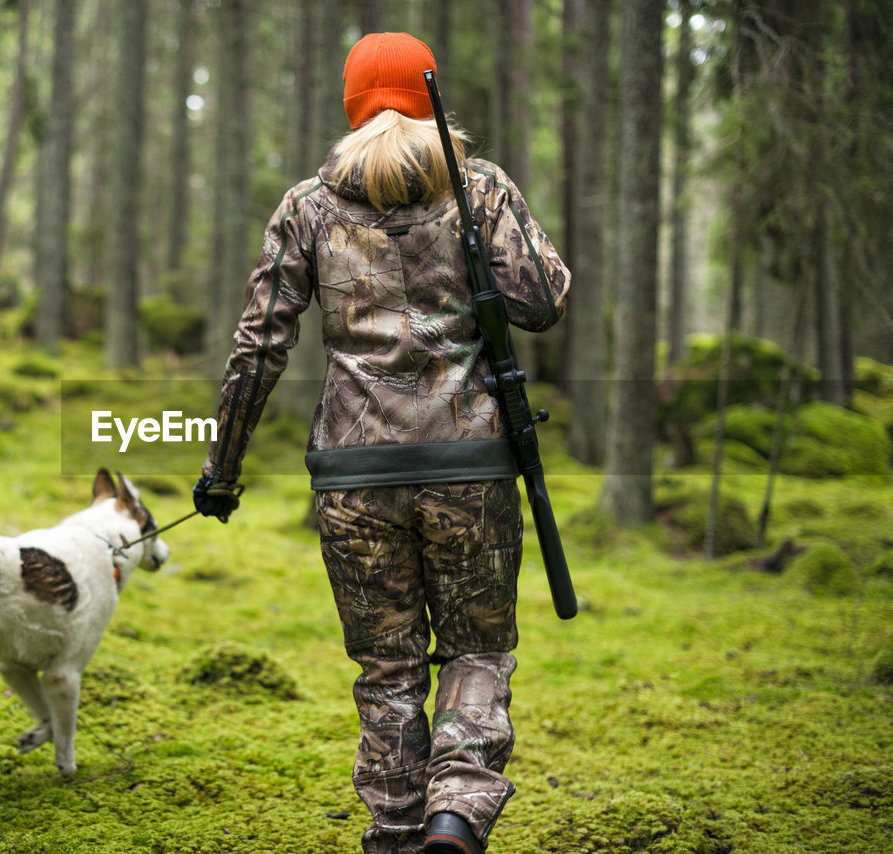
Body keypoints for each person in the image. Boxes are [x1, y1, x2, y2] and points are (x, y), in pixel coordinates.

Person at [193, 32, 570, 854]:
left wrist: (220, 471)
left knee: (387, 669)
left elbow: (259, 346)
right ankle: (454, 818)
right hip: (469, 466)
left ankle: (397, 836)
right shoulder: (479, 189)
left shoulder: (309, 206)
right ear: (433, 95)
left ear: (351, 104)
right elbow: (543, 302)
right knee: (477, 648)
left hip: (353, 477)